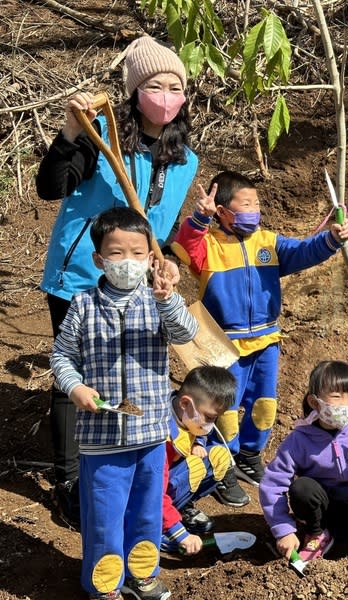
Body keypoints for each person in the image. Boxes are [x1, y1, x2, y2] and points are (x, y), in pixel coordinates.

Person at [36, 35, 197, 528]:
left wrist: (166, 261)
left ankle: (123, 464)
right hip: (81, 276)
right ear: (134, 90)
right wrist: (68, 132)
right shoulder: (97, 132)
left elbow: (163, 229)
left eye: (175, 86)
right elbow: (51, 188)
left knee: (130, 369)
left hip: (137, 281)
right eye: (154, 84)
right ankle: (69, 480)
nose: (165, 95)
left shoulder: (184, 159)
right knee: (76, 377)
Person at [171, 171, 348, 507]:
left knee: (264, 407)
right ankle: (220, 466)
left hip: (266, 340)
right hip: (224, 345)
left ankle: (249, 458)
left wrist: (332, 239)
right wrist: (199, 218)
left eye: (257, 203)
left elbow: (302, 251)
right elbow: (184, 246)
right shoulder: (208, 246)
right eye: (246, 204)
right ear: (223, 211)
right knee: (222, 410)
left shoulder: (267, 242)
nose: (255, 210)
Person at [50, 207, 198, 600]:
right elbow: (61, 357)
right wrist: (75, 387)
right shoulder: (83, 306)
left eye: (138, 253)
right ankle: (105, 585)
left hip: (150, 436)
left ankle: (142, 575)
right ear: (99, 259)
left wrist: (168, 299)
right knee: (104, 518)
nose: (127, 262)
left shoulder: (159, 300)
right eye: (117, 253)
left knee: (147, 512)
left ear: (151, 259)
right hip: (102, 441)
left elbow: (188, 334)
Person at [260, 360, 348, 560]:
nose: (346, 405)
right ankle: (317, 534)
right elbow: (273, 483)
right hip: (323, 510)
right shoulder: (300, 439)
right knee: (302, 488)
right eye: (336, 396)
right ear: (314, 402)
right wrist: (283, 529)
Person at [161, 366, 237, 555]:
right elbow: (152, 491)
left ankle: (181, 508)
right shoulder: (162, 434)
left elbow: (198, 428)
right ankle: (157, 528)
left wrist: (199, 442)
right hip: (149, 495)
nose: (210, 425)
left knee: (219, 457)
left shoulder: (189, 416)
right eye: (210, 417)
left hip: (171, 478)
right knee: (194, 466)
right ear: (185, 404)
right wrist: (178, 533)